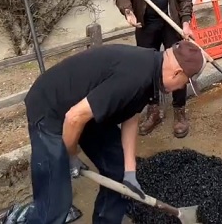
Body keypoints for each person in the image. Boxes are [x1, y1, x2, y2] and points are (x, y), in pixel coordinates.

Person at [23, 41, 206, 224]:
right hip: (51, 108)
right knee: (55, 204)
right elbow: (74, 118)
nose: (181, 88)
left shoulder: (152, 72)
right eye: (184, 83)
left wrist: (129, 171)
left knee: (116, 170)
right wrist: (69, 156)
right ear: (177, 73)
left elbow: (131, 117)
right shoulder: (134, 77)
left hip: (85, 109)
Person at [115, 0, 195, 138]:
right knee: (147, 70)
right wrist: (128, 11)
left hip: (172, 23)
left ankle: (179, 111)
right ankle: (154, 111)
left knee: (178, 66)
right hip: (146, 24)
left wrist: (185, 21)